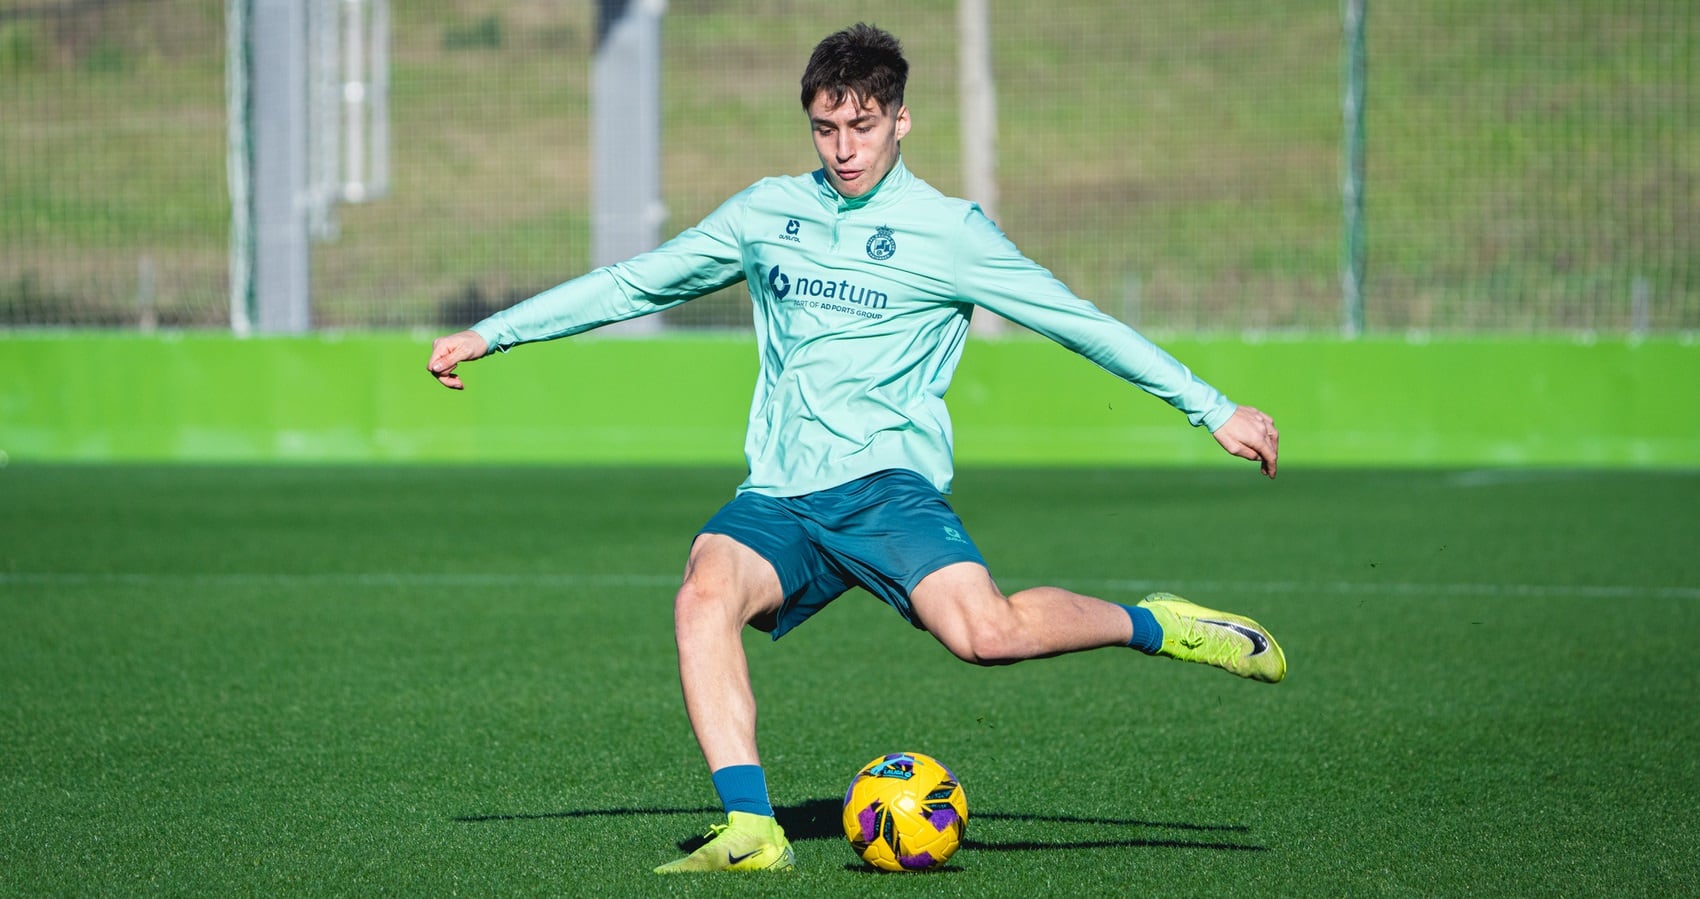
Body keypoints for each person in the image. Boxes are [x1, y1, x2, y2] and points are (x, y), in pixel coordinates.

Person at [428, 23, 1285, 874]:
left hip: (886, 489)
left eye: (863, 127)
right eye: (826, 128)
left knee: (986, 635)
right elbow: (637, 279)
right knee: (702, 595)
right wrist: (493, 334)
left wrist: (1208, 407)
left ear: (901, 121)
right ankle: (753, 827)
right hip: (781, 496)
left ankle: (1155, 622)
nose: (844, 148)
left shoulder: (950, 233)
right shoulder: (767, 212)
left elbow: (1078, 323)